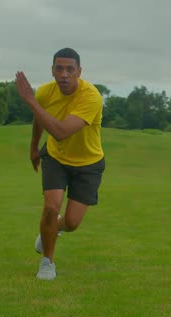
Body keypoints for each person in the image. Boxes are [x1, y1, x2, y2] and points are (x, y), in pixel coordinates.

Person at [15, 47, 105, 280]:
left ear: (79, 72)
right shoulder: (46, 92)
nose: (64, 74)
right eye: (59, 68)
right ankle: (47, 263)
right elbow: (40, 119)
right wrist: (34, 147)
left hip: (88, 163)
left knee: (72, 222)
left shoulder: (91, 96)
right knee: (51, 206)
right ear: (53, 71)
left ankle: (53, 229)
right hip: (56, 157)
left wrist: (30, 101)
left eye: (70, 69)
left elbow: (61, 131)